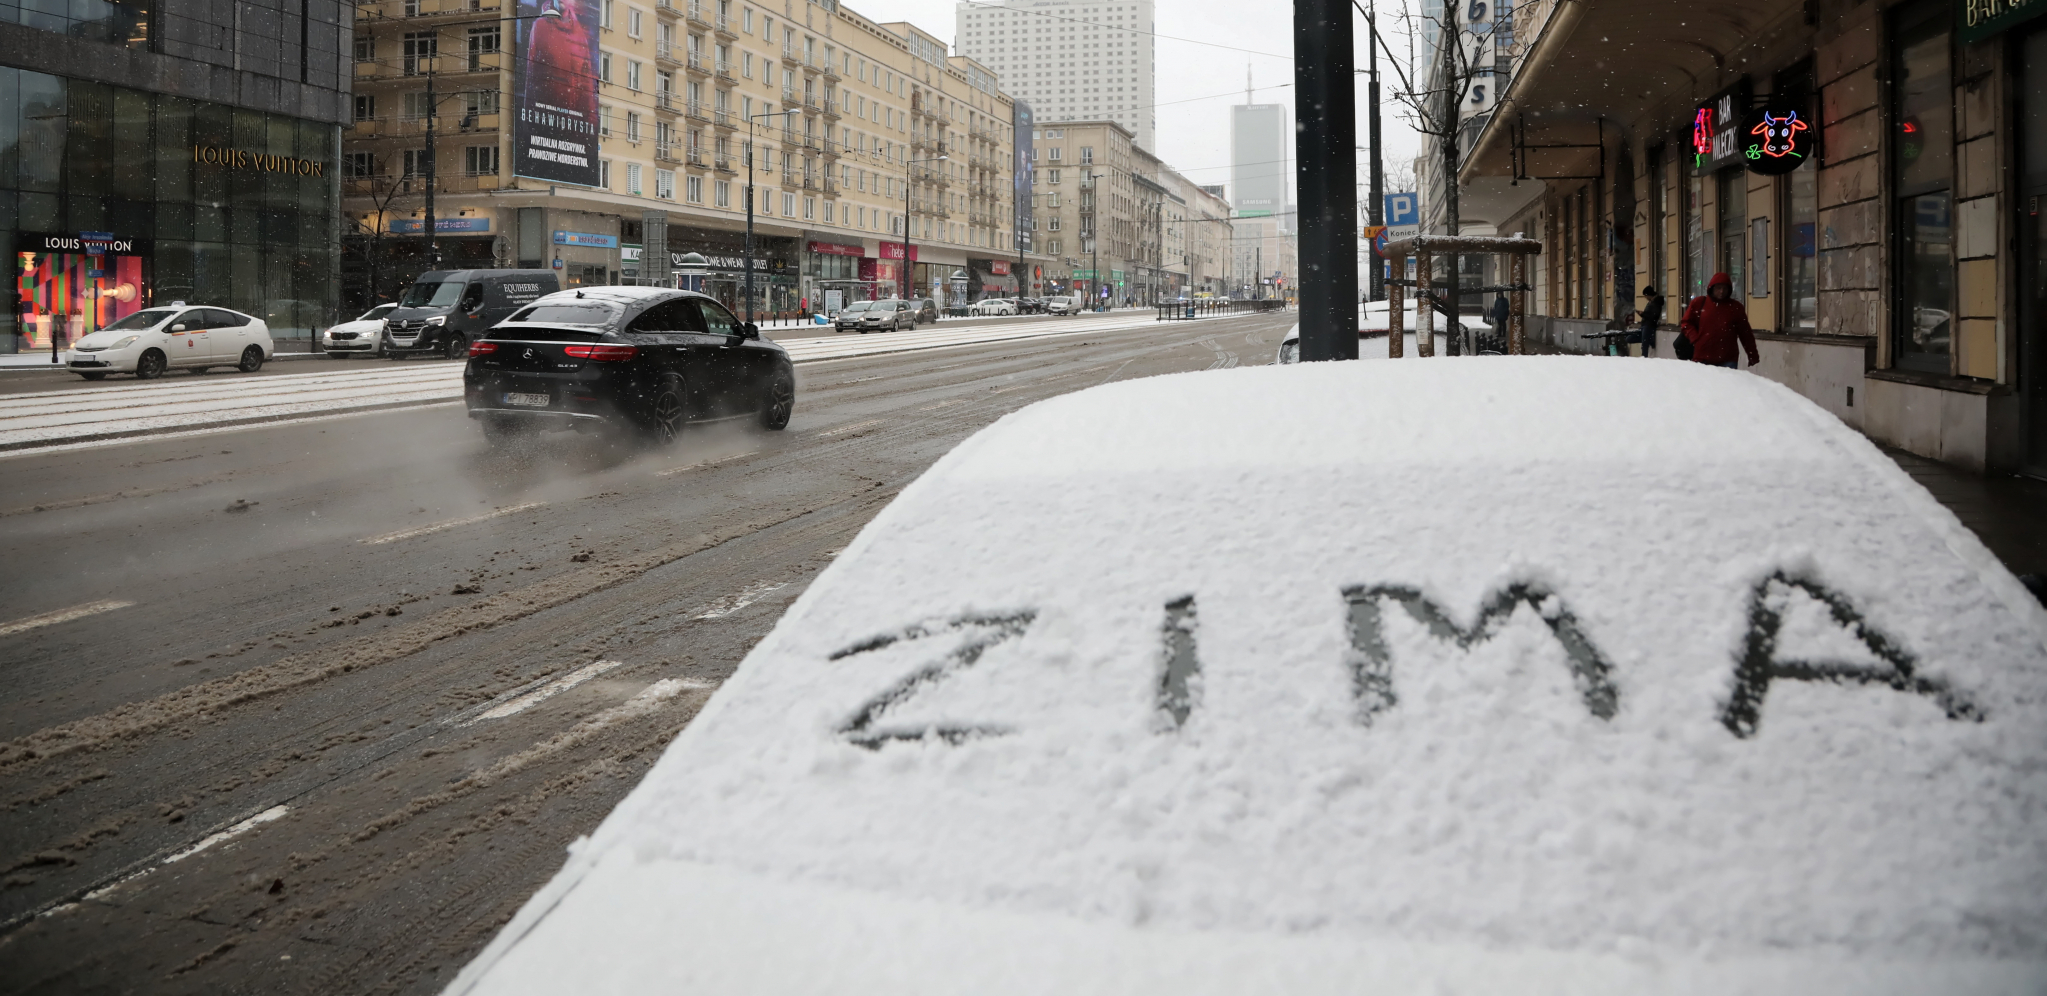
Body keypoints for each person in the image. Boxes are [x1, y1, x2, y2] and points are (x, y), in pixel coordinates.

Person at [1678, 273, 1759, 369]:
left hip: (1728, 358)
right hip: (1703, 357)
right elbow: (1686, 323)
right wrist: (1695, 338)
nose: (1722, 291)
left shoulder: (1735, 308)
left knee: (1726, 384)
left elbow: (1745, 333)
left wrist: (1752, 354)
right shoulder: (1699, 303)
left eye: (1725, 288)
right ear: (1712, 288)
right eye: (1718, 288)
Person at [1636, 285, 1665, 357]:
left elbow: (1653, 316)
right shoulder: (1651, 302)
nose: (1645, 298)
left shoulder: (1656, 303)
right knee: (1629, 338)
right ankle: (1650, 339)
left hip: (1649, 325)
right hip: (1645, 324)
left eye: (1645, 296)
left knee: (1644, 345)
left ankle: (1644, 357)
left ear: (1648, 295)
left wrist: (1643, 314)